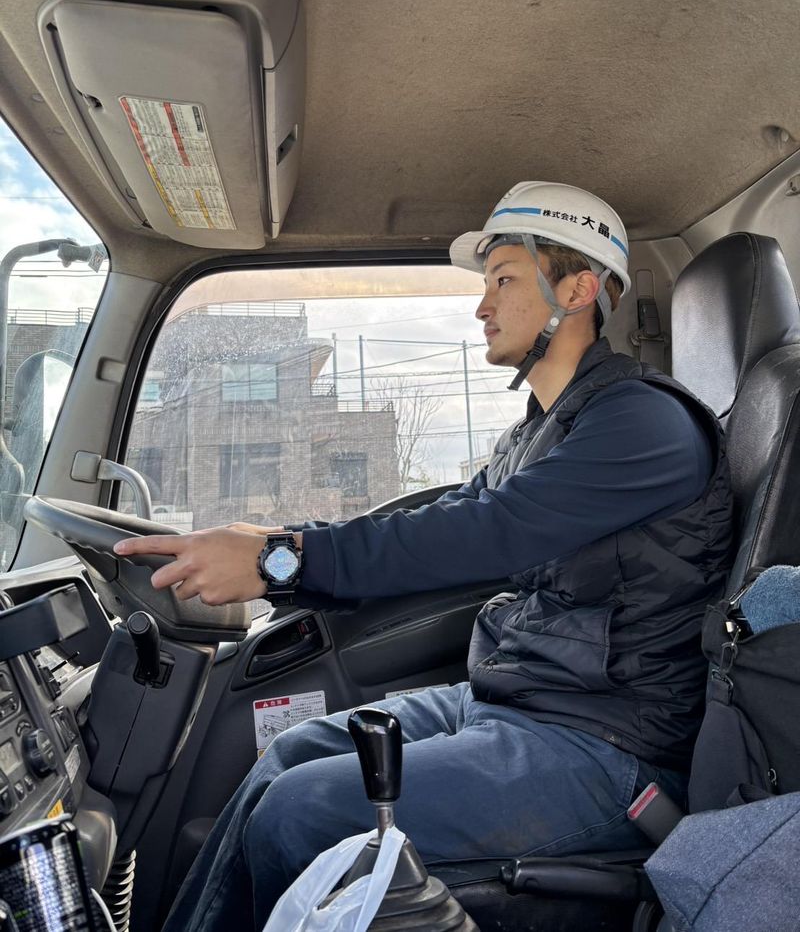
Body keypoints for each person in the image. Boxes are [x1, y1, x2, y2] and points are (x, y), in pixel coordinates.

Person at [114, 182, 734, 932]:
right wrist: (270, 539)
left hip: (607, 743)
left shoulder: (647, 423)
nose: (482, 306)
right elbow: (435, 519)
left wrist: (280, 560)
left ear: (578, 290)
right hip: (513, 704)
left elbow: (484, 532)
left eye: (503, 279)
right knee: (285, 757)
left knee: (299, 813)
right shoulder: (537, 432)